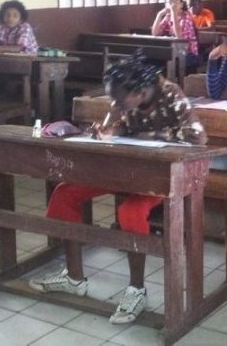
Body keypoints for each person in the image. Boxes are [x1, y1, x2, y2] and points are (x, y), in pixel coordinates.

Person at [29, 51, 206, 324]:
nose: (116, 104)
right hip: (124, 168)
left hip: (162, 175)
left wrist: (144, 135)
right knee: (64, 194)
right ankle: (74, 278)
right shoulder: (127, 96)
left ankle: (137, 290)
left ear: (140, 92)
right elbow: (124, 124)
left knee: (130, 212)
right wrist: (112, 131)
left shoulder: (171, 94)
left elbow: (197, 137)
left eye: (120, 100)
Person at [151, 0, 200, 72]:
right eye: (170, 2)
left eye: (175, 2)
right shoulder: (168, 16)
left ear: (181, 5)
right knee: (153, 60)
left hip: (188, 53)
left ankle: (170, 79)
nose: (172, 5)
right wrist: (159, 15)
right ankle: (162, 79)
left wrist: (173, 13)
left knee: (167, 62)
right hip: (173, 51)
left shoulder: (186, 16)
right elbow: (155, 33)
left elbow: (179, 36)